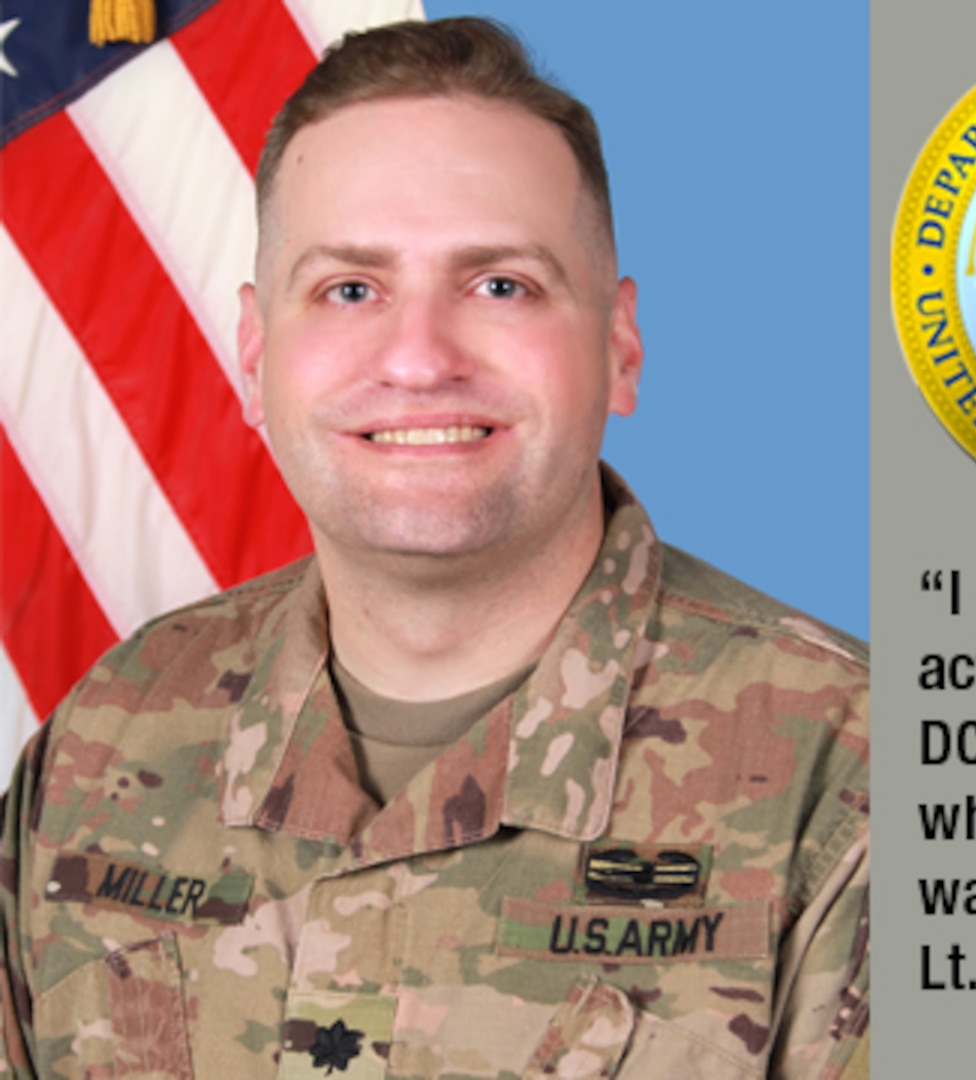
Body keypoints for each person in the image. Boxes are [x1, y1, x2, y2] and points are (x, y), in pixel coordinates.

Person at [0, 18, 869, 1079]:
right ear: (253, 357)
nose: (417, 360)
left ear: (619, 346)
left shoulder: (852, 778)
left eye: (500, 284)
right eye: (349, 290)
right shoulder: (107, 740)